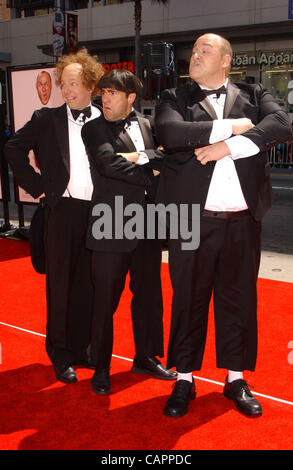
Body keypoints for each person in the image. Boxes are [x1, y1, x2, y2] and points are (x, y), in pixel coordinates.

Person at [154, 33, 292, 418]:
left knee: (239, 302)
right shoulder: (173, 98)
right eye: (194, 51)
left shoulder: (255, 92)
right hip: (191, 221)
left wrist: (225, 148)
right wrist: (232, 128)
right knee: (188, 302)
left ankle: (235, 379)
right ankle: (184, 379)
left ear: (227, 60)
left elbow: (281, 123)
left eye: (205, 50)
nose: (195, 56)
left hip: (242, 222)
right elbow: (169, 133)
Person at [5, 48, 104, 383]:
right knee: (59, 286)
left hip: (97, 213)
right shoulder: (45, 119)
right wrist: (38, 187)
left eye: (74, 83)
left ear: (91, 85)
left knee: (88, 284)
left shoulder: (105, 120)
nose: (67, 90)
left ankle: (84, 349)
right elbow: (13, 148)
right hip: (61, 212)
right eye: (64, 84)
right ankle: (60, 353)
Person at [81, 69, 177, 395]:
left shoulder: (148, 125)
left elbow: (165, 156)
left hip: (148, 223)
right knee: (105, 299)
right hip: (111, 223)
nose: (104, 99)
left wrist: (142, 158)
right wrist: (149, 169)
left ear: (131, 97)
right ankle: (101, 367)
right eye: (102, 93)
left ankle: (146, 356)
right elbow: (108, 165)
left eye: (112, 93)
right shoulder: (94, 129)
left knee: (148, 295)